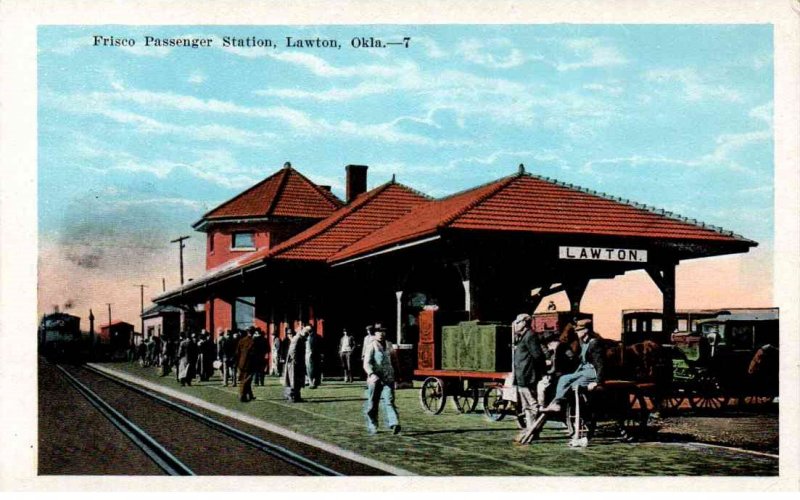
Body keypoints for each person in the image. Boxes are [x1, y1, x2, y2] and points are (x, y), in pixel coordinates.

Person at [543, 319, 605, 413]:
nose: (577, 332)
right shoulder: (584, 343)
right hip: (584, 371)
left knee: (574, 385)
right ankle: (556, 402)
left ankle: (562, 404)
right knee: (564, 379)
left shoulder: (594, 343)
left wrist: (597, 382)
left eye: (579, 330)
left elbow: (600, 363)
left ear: (586, 330)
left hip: (592, 372)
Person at [509, 313, 546, 443]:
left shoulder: (530, 336)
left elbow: (538, 356)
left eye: (518, 322)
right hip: (522, 376)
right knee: (526, 406)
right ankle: (531, 429)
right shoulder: (523, 336)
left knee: (532, 405)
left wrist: (542, 372)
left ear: (524, 322)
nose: (516, 324)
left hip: (527, 376)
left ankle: (535, 429)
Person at [362, 326, 401, 435]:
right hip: (375, 379)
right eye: (379, 332)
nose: (381, 334)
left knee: (389, 400)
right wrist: (371, 373)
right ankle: (373, 423)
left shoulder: (389, 345)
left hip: (388, 377)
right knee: (373, 403)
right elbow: (366, 363)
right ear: (374, 334)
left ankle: (394, 423)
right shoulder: (371, 345)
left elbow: (394, 360)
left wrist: (397, 373)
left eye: (383, 331)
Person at [283, 326, 307, 402]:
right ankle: (292, 396)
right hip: (293, 364)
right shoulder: (297, 339)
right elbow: (292, 351)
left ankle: (296, 396)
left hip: (297, 362)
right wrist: (296, 360)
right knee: (292, 379)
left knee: (297, 379)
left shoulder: (300, 339)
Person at [235, 328, 256, 402]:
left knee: (245, 379)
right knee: (246, 380)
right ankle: (242, 395)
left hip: (241, 363)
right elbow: (254, 355)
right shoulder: (253, 342)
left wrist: (237, 362)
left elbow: (237, 352)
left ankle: (250, 395)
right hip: (249, 364)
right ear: (253, 333)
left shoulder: (241, 340)